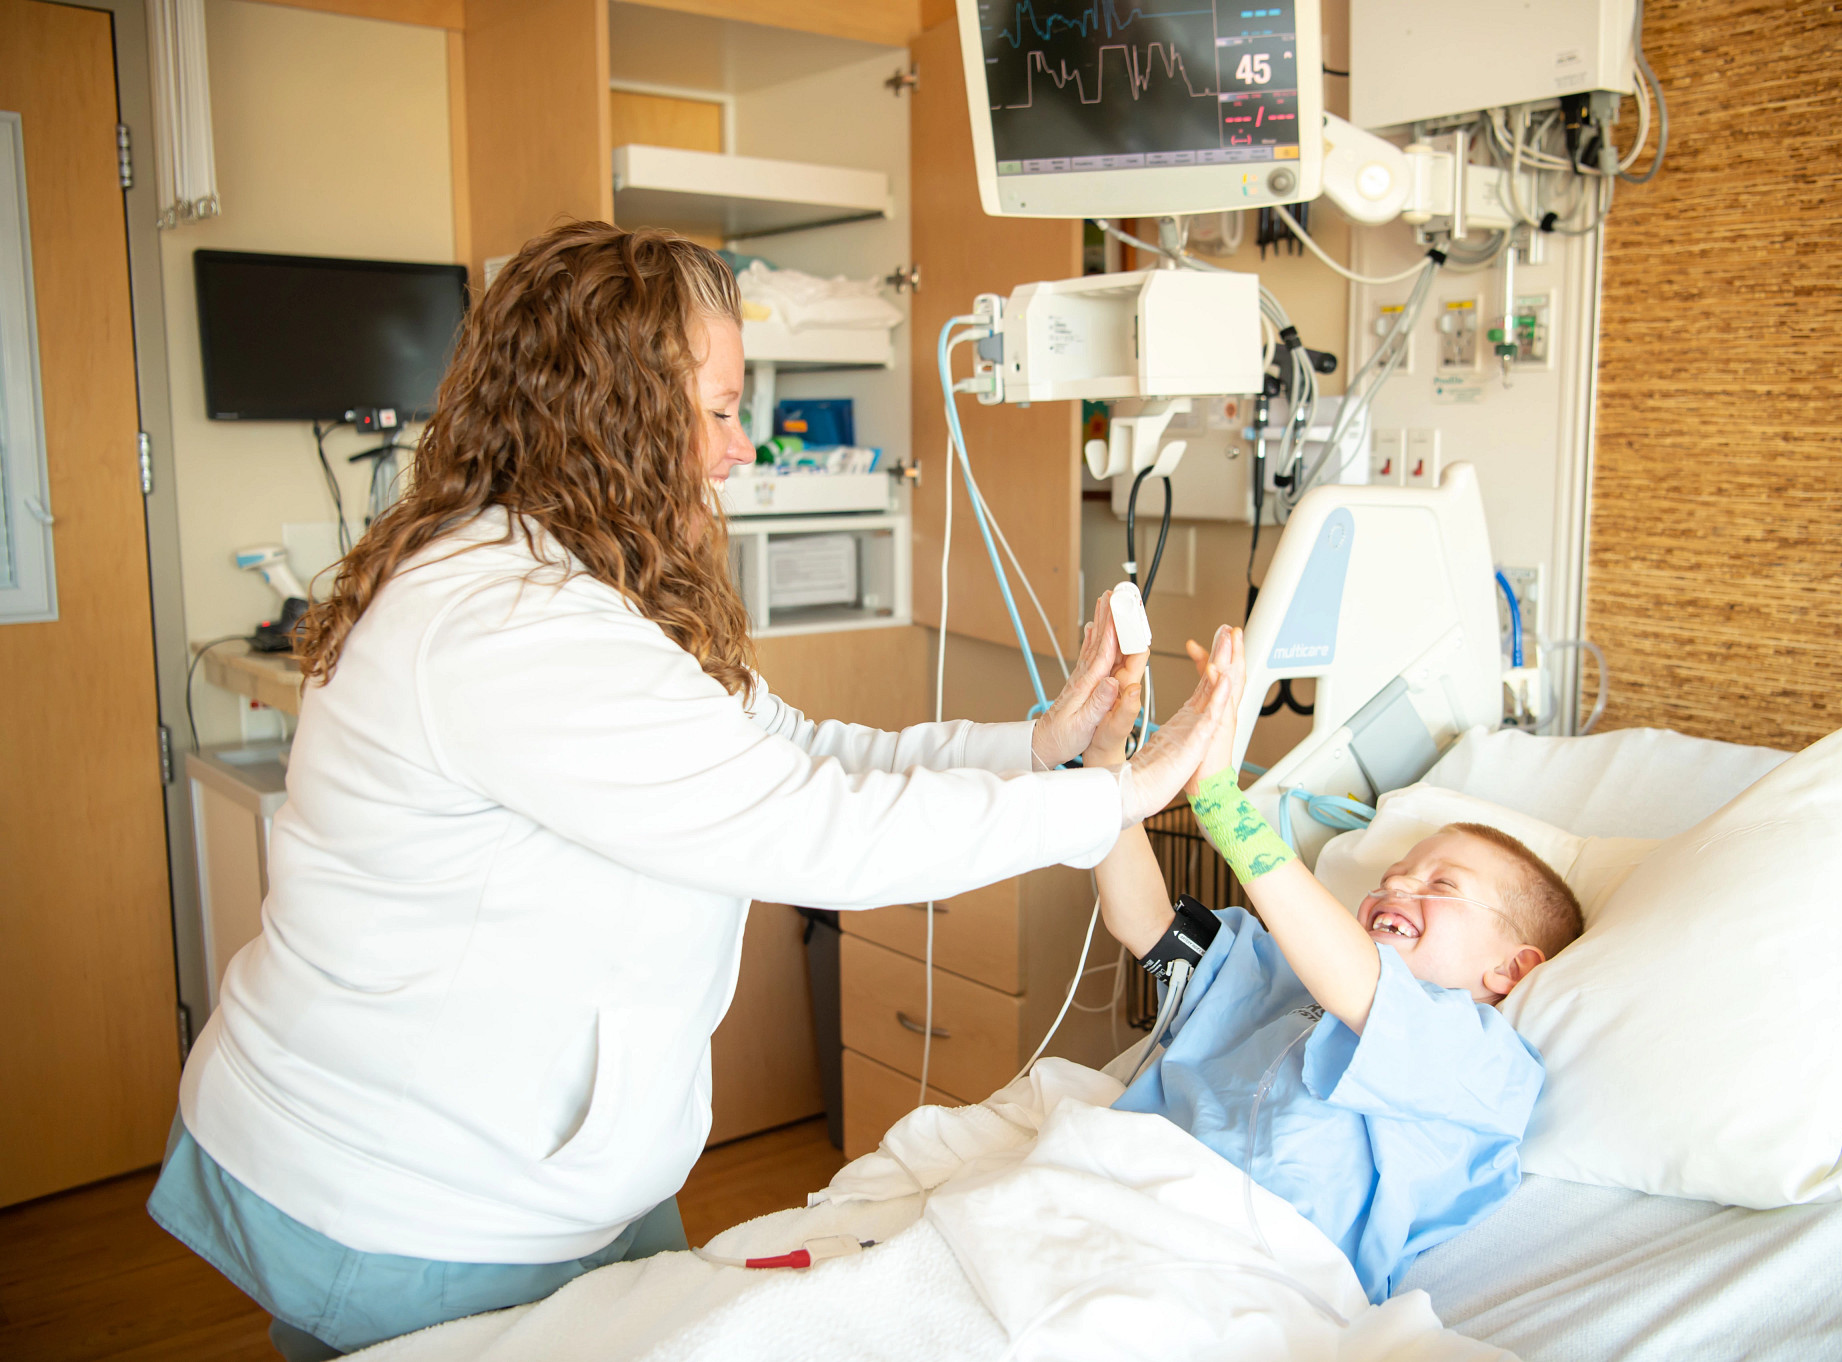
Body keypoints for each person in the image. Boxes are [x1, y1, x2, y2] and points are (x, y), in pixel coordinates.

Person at [148, 221, 1229, 1359]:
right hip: (409, 1190)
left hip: (541, 1156)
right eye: (716, 410)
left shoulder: (583, 585)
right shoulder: (512, 629)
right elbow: (812, 830)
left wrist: (1040, 744)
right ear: (606, 411)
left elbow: (801, 754)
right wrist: (1115, 797)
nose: (737, 450)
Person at [1082, 626, 1583, 1302]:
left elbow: (1366, 993)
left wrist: (1225, 807)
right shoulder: (1272, 972)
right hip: (1127, 1197)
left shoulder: (1488, 1064)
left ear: (1511, 970)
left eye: (1442, 885)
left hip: (1258, 1272)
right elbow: (1143, 922)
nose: (1398, 887)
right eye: (1394, 875)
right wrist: (1108, 765)